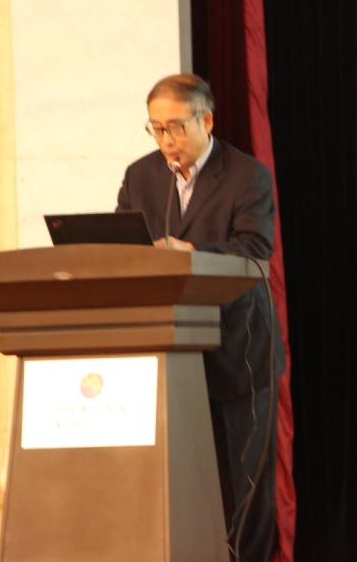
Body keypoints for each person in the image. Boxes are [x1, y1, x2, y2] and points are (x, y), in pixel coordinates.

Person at [116, 73, 284, 562]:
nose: (166, 139)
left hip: (238, 349)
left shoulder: (247, 175)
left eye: (175, 127)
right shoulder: (141, 176)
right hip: (169, 352)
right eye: (156, 128)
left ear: (205, 120)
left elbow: (255, 251)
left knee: (243, 482)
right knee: (185, 479)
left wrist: (190, 251)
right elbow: (122, 245)